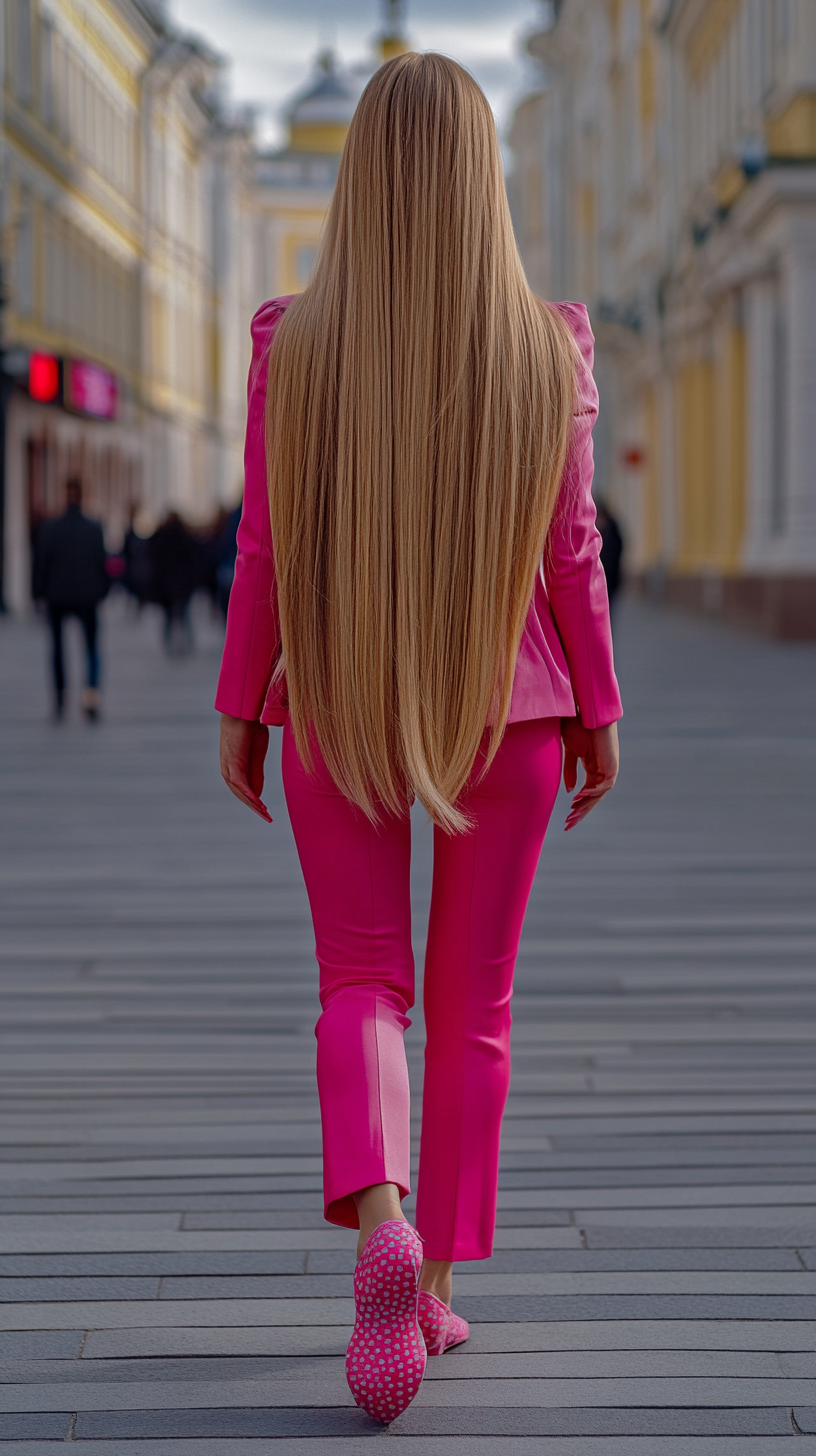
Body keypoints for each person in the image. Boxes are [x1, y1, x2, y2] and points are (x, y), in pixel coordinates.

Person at [217, 54, 621, 1424]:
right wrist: (602, 711)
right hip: (510, 709)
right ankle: (433, 1284)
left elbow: (264, 543)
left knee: (362, 982)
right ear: (479, 179)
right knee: (477, 1012)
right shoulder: (547, 342)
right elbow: (575, 552)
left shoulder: (293, 339)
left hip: (335, 696)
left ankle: (379, 1213)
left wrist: (239, 699)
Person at [33, 477, 109, 720]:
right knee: (91, 647)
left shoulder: (50, 527)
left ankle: (60, 695)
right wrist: (102, 591)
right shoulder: (94, 527)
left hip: (58, 596)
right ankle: (91, 693)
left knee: (57, 648)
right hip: (88, 596)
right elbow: (102, 564)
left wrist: (38, 593)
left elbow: (41, 564)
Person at [147, 512, 202, 655]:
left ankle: (169, 645)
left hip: (166, 585)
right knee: (184, 616)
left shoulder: (160, 537)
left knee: (169, 617)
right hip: (182, 584)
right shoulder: (185, 537)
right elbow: (195, 559)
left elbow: (152, 560)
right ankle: (187, 644)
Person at [595, 498, 624, 620]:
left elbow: (619, 550)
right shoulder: (595, 529)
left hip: (610, 579)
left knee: (608, 609)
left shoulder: (613, 530)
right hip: (597, 580)